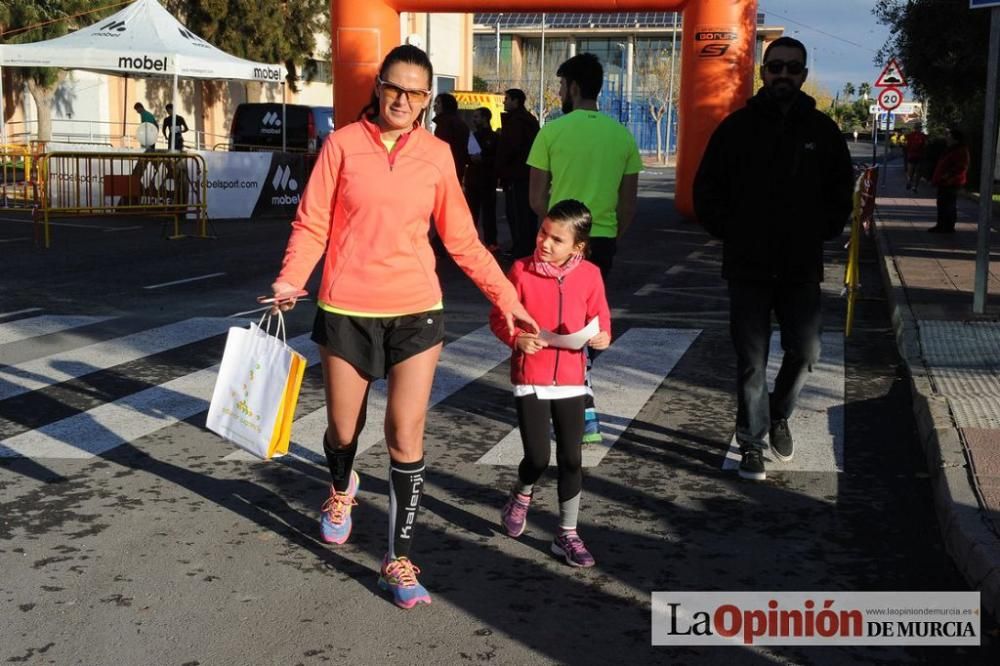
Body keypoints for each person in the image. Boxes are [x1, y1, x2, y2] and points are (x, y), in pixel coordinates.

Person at [269, 44, 537, 609]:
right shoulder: (341, 145)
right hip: (346, 309)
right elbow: (312, 223)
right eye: (395, 88)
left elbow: (461, 238)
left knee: (404, 435)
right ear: (378, 85)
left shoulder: (438, 154)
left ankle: (398, 559)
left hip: (416, 310)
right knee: (342, 430)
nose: (404, 100)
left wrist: (507, 296)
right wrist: (292, 279)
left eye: (417, 92)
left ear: (426, 98)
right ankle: (341, 489)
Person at [693, 36, 854, 482]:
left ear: (803, 75)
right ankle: (751, 442)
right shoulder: (736, 128)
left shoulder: (822, 132)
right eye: (775, 66)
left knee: (806, 351)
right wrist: (733, 231)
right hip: (747, 265)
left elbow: (841, 190)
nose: (783, 74)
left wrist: (821, 229)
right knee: (752, 359)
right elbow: (706, 191)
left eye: (792, 68)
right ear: (763, 72)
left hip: (801, 265)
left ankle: (779, 415)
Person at [527, 52, 642, 445]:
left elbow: (535, 197)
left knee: (558, 322)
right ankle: (580, 402)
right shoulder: (622, 135)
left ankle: (577, 400)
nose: (559, 93)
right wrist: (607, 236)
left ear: (574, 88)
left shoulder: (551, 132)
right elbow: (629, 205)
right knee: (589, 323)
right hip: (603, 240)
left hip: (559, 242)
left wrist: (557, 237)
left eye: (560, 86)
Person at [489, 199, 611, 567]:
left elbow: (602, 320)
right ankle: (522, 493)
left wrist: (602, 337)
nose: (545, 243)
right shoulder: (521, 271)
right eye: (544, 233)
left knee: (572, 458)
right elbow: (499, 318)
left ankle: (567, 534)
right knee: (539, 457)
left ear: (578, 246)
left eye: (557, 239)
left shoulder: (590, 274)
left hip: (572, 378)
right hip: (532, 377)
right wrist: (517, 340)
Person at [495, 88, 540, 258]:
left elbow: (510, 148)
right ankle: (524, 247)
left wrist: (502, 169)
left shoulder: (516, 122)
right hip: (526, 173)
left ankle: (521, 249)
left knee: (517, 212)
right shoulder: (529, 120)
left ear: (516, 101)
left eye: (507, 99)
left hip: (515, 174)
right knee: (525, 214)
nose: (504, 102)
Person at [465, 107, 499, 250]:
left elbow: (497, 157)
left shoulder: (495, 137)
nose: (474, 119)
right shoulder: (472, 136)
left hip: (487, 179)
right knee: (471, 212)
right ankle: (469, 242)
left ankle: (491, 242)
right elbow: (465, 155)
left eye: (477, 117)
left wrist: (483, 159)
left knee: (489, 212)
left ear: (485, 118)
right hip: (473, 180)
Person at [929, 126, 970, 234]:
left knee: (948, 204)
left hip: (951, 182)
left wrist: (947, 176)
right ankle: (941, 225)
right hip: (945, 182)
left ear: (955, 139)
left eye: (949, 136)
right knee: (943, 204)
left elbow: (960, 167)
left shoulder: (960, 150)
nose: (947, 138)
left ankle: (947, 227)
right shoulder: (951, 149)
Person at [432, 92, 469, 181]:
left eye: (438, 103)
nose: (435, 106)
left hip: (446, 169)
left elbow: (441, 146)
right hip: (457, 168)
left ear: (446, 105)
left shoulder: (446, 123)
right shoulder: (459, 122)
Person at [904, 123, 927, 191]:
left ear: (914, 128)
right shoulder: (923, 136)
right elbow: (926, 145)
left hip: (911, 155)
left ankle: (909, 181)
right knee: (918, 172)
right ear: (920, 128)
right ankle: (915, 186)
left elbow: (905, 144)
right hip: (920, 155)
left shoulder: (909, 135)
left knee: (910, 170)